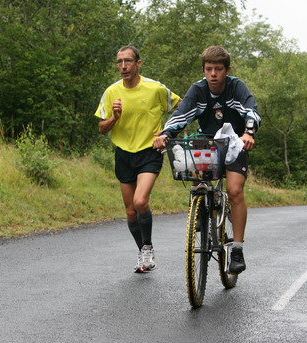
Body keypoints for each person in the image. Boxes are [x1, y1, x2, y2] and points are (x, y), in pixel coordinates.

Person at [153, 46, 260, 274]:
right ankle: (200, 209)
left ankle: (237, 250)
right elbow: (181, 116)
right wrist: (165, 134)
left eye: (218, 69)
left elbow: (251, 111)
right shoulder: (198, 90)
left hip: (233, 142)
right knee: (191, 157)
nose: (213, 74)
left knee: (234, 190)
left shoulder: (236, 87)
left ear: (227, 70)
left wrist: (249, 133)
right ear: (203, 70)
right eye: (209, 69)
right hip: (207, 143)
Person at [95, 45, 181, 273]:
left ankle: (147, 249)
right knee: (131, 211)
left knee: (140, 201)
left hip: (149, 151)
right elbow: (102, 128)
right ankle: (144, 251)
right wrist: (114, 117)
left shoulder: (155, 89)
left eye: (128, 61)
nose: (123, 66)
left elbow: (182, 107)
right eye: (119, 62)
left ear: (138, 64)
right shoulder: (111, 92)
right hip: (123, 153)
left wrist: (167, 133)